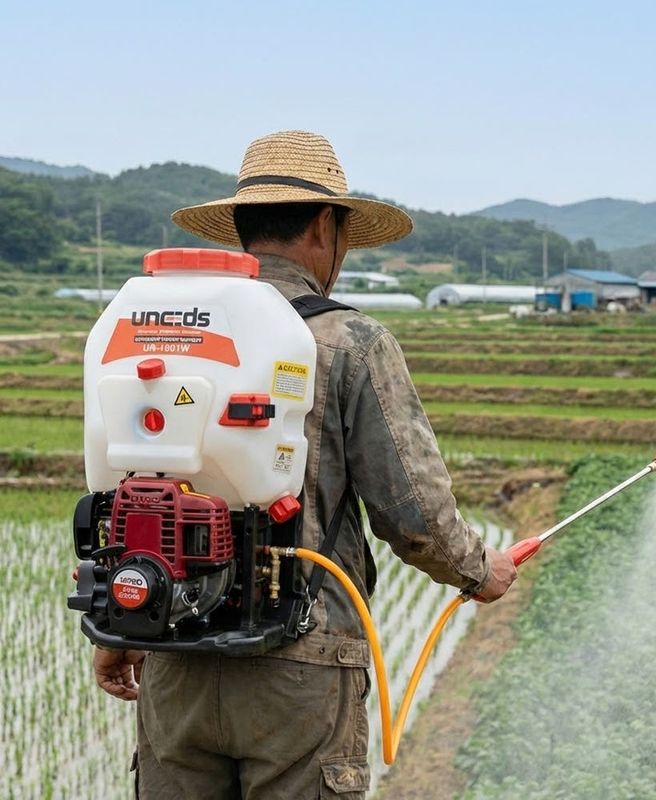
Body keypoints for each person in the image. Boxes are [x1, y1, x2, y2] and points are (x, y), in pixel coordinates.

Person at [93, 130, 517, 799]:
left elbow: (118, 489)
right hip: (302, 666)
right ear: (327, 224)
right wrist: (477, 568)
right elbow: (413, 515)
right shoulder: (351, 341)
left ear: (239, 228)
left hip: (173, 652)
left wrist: (121, 625)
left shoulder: (164, 332)